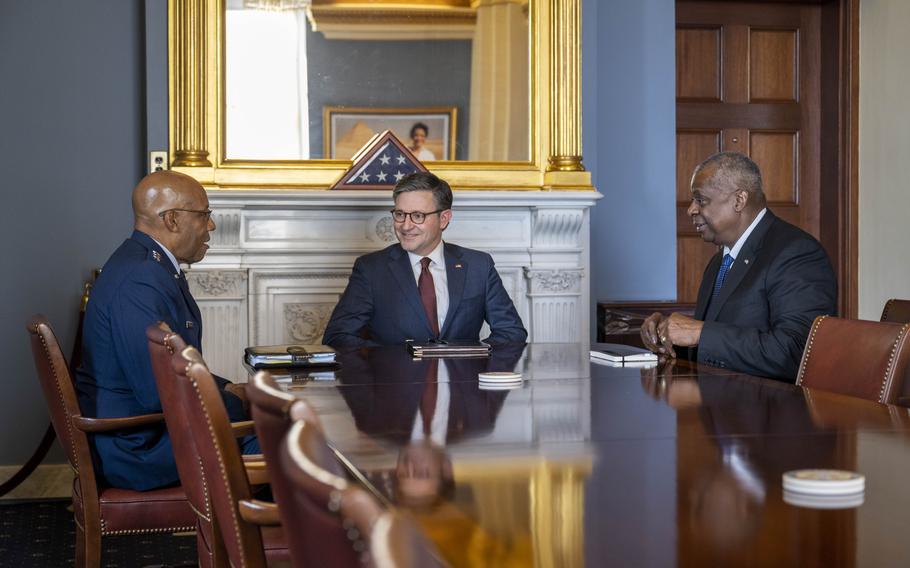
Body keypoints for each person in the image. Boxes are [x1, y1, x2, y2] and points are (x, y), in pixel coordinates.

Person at [76, 170, 256, 491]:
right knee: (284, 446)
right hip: (139, 448)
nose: (211, 225)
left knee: (272, 428)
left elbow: (173, 371)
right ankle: (264, 540)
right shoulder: (142, 276)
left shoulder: (148, 264)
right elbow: (155, 391)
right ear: (172, 220)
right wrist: (236, 403)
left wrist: (228, 390)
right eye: (204, 215)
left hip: (146, 434)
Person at [640, 152, 837, 381]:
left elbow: (795, 354)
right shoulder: (720, 261)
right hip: (720, 404)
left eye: (700, 200)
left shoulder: (797, 253)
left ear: (739, 200)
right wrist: (666, 336)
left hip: (773, 411)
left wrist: (700, 333)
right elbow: (714, 348)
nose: (691, 210)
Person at [323, 172, 527, 347]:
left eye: (418, 216)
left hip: (462, 387)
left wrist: (469, 357)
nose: (405, 225)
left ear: (444, 219)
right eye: (400, 214)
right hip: (395, 388)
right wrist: (394, 361)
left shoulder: (478, 266)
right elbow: (338, 336)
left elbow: (512, 333)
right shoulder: (371, 269)